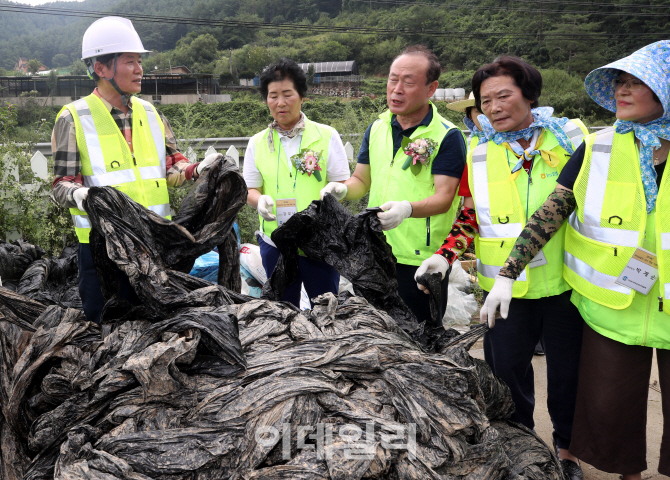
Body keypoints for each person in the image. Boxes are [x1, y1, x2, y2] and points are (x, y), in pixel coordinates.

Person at [482, 41, 670, 480]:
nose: (622, 91)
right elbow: (549, 214)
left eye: (635, 83)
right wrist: (508, 273)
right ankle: (627, 473)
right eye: (619, 83)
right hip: (613, 306)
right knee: (609, 403)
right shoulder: (597, 148)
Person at [415, 56, 588, 480]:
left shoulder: (571, 137)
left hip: (566, 283)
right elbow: (470, 218)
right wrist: (446, 254)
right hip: (502, 292)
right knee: (506, 374)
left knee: (567, 374)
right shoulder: (478, 153)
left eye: (503, 96)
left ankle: (567, 451)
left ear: (529, 94)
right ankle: (521, 446)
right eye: (486, 100)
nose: (493, 107)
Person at [51, 16, 219, 325]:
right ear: (101, 68)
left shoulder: (151, 113)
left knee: (158, 325)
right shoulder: (74, 118)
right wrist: (86, 195)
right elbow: (62, 186)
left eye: (139, 61)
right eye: (130, 61)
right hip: (104, 249)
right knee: (110, 330)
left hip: (155, 244)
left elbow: (171, 168)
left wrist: (198, 168)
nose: (140, 69)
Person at [321, 45, 466, 327]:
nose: (396, 89)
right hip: (375, 252)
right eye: (392, 79)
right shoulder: (377, 127)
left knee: (420, 337)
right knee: (378, 334)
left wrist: (407, 209)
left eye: (408, 82)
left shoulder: (447, 136)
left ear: (431, 88)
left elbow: (445, 197)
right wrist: (340, 189)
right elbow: (361, 181)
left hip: (421, 260)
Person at [243, 59, 350, 309]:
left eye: (287, 94)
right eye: (273, 96)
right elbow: (249, 189)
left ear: (302, 96)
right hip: (276, 243)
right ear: (266, 100)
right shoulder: (257, 143)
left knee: (325, 308)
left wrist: (337, 190)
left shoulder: (326, 135)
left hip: (320, 242)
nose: (280, 102)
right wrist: (259, 200)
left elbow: (342, 182)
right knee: (282, 310)